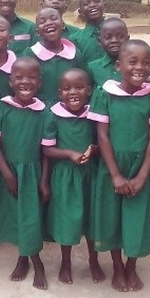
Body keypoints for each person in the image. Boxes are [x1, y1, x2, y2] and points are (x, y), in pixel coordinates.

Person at [87, 39, 150, 292]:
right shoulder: (104, 94)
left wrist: (142, 175)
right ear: (118, 66)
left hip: (142, 165)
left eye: (146, 62)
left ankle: (131, 266)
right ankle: (117, 266)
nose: (140, 67)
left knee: (138, 216)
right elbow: (102, 135)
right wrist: (116, 175)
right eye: (133, 62)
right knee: (112, 216)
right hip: (112, 166)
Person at [0, 57, 49, 290]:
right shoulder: (0, 107)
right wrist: (7, 174)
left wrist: (43, 180)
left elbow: (46, 151)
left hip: (33, 173)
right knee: (15, 217)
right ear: (10, 81)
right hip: (7, 172)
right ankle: (24, 257)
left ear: (40, 83)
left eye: (32, 77)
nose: (25, 82)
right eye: (19, 77)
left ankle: (35, 262)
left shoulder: (43, 112)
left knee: (30, 218)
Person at [42, 68, 104, 285]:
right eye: (67, 88)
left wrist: (93, 150)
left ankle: (93, 261)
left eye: (79, 87)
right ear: (60, 92)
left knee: (91, 219)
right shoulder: (53, 114)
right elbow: (47, 150)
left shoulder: (93, 114)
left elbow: (100, 141)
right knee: (66, 221)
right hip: (65, 177)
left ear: (89, 90)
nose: (73, 92)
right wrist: (69, 153)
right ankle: (66, 262)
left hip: (90, 175)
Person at [21, 7, 85, 105]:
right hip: (40, 110)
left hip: (69, 110)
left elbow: (82, 84)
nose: (49, 23)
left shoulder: (74, 54)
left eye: (53, 18)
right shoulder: (30, 54)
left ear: (63, 25)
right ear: (37, 32)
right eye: (42, 21)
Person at [87, 17, 130, 88]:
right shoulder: (92, 68)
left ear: (128, 39)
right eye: (108, 37)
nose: (114, 40)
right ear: (99, 41)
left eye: (119, 36)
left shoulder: (134, 67)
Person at [70, 0, 106, 64]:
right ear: (80, 12)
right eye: (86, 3)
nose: (92, 5)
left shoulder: (116, 34)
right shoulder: (75, 39)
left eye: (97, 1)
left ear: (104, 6)